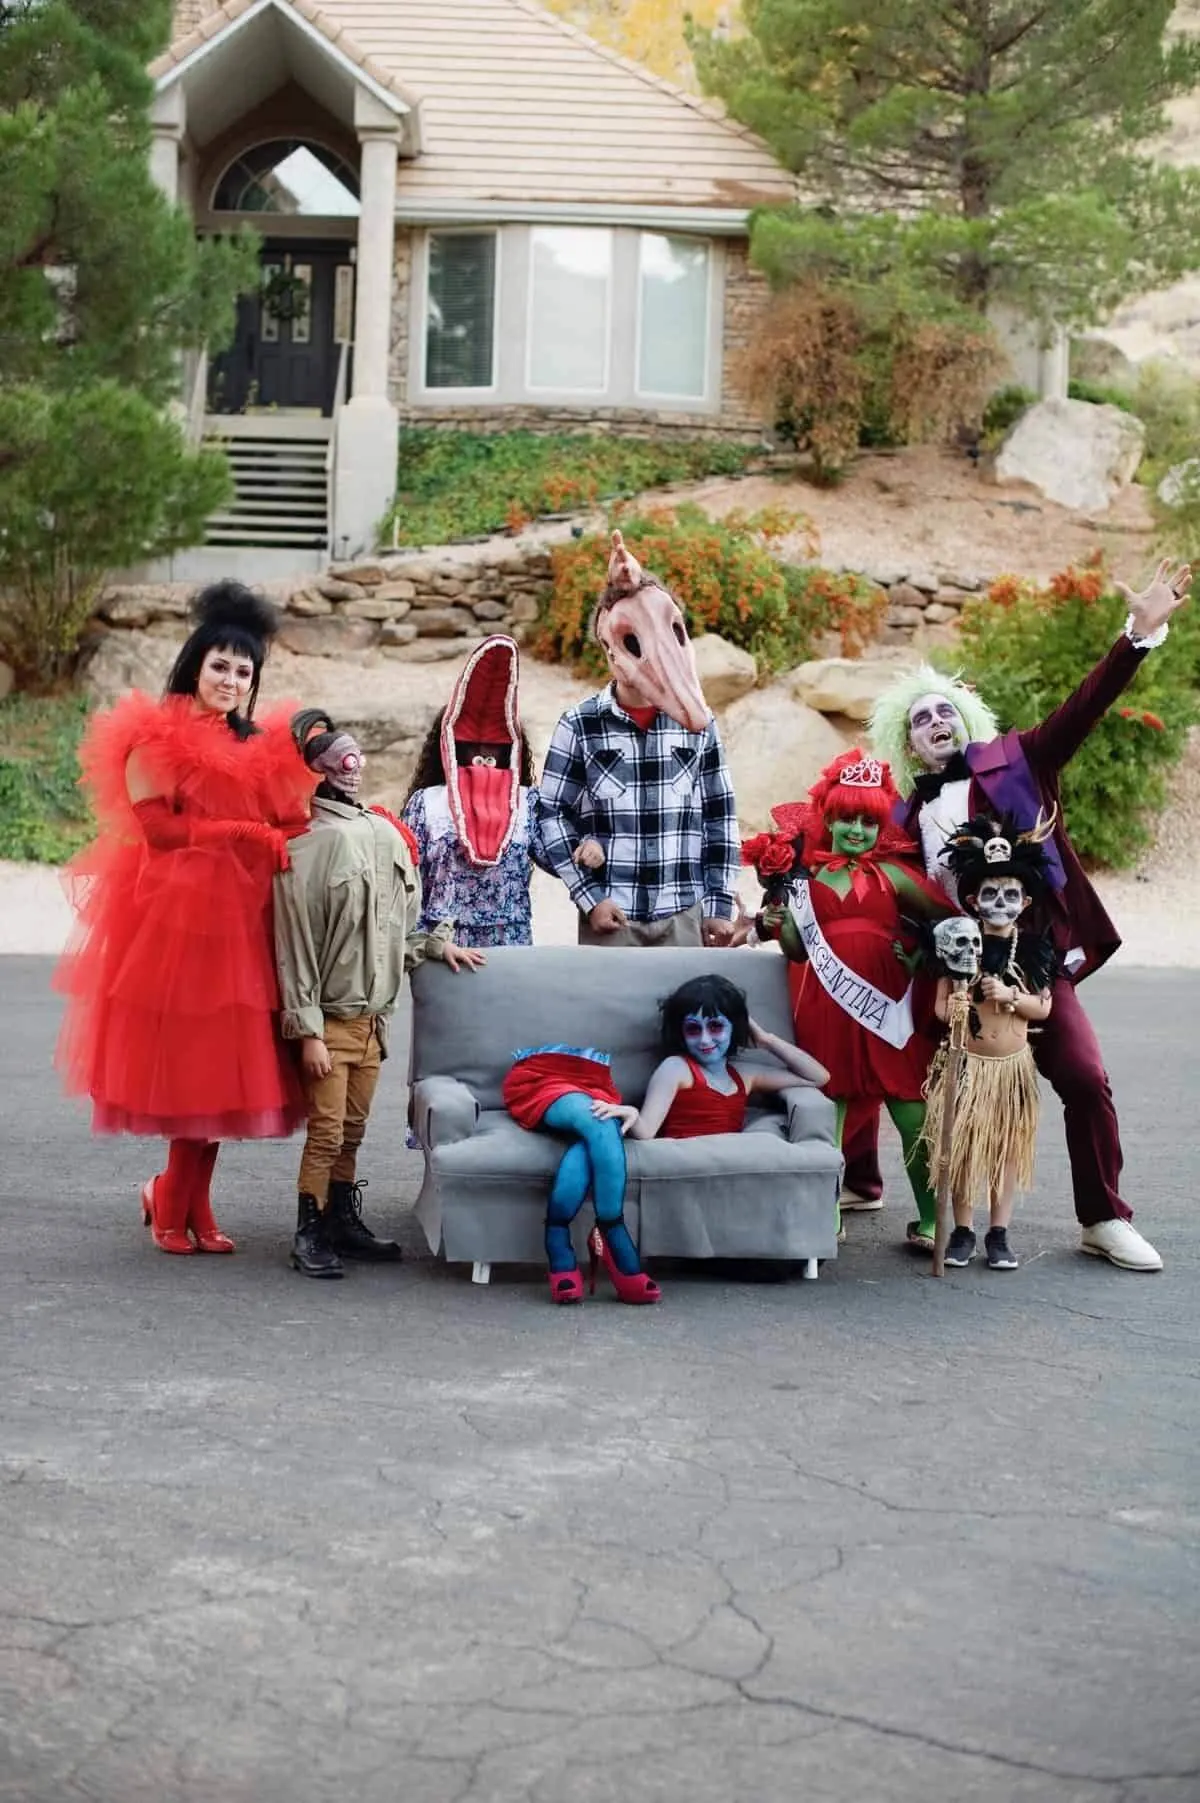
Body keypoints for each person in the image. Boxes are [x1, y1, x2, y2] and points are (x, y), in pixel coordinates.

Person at [869, 557, 1192, 1271]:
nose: (935, 721)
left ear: (967, 722)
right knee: (892, 1070)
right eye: (920, 717)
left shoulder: (1020, 760)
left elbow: (1084, 708)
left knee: (1082, 1073)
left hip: (1033, 955)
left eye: (945, 709)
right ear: (908, 741)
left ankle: (1103, 1214)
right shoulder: (903, 816)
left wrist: (1135, 636)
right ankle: (894, 1198)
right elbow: (871, 884)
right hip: (947, 972)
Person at [55, 583, 315, 1256]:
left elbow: (291, 818)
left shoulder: (258, 744)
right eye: (220, 664)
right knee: (195, 1067)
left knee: (229, 1073)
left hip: (243, 920)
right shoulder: (155, 737)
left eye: (243, 670)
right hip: (176, 918)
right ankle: (171, 1201)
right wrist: (242, 831)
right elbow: (160, 832)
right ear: (195, 664)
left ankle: (191, 1203)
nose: (230, 679)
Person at [275, 712, 485, 1279]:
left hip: (372, 1022)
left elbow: (396, 929)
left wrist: (436, 946)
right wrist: (308, 1029)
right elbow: (293, 943)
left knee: (353, 1131)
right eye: (340, 757)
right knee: (325, 1133)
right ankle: (309, 1231)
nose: (353, 766)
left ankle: (341, 1220)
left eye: (357, 756)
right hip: (333, 1021)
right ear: (315, 767)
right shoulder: (308, 846)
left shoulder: (385, 833)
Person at [746, 751, 953, 1250]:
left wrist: (921, 957)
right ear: (829, 820)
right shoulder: (804, 882)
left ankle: (931, 1218)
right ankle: (827, 1210)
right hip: (828, 1006)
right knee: (828, 1111)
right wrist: (780, 929)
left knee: (911, 1110)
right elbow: (798, 949)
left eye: (868, 821)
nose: (857, 830)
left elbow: (942, 920)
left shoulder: (893, 876)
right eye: (847, 820)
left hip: (888, 1007)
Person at [538, 531, 739, 948]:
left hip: (684, 915)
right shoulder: (580, 724)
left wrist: (718, 907)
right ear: (609, 649)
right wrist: (589, 896)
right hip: (612, 917)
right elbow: (551, 814)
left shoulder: (698, 725)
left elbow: (719, 815)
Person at [922, 813, 1056, 1271]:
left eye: (1011, 895)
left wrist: (1011, 996)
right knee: (958, 1149)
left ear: (1026, 900)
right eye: (991, 894)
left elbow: (1044, 1008)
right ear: (974, 900)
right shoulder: (958, 942)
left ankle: (999, 1233)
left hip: (1010, 1070)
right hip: (966, 1065)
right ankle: (962, 1231)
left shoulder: (1034, 947)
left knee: (1003, 1150)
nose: (1001, 902)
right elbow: (940, 1009)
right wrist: (957, 1004)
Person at [402, 635, 569, 948]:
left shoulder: (525, 803)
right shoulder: (427, 804)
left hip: (510, 943)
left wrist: (584, 841)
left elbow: (555, 860)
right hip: (443, 944)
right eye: (471, 747)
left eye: (496, 747)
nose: (483, 756)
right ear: (449, 746)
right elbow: (406, 881)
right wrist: (424, 942)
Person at [501, 1043, 660, 1306]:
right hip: (541, 1075)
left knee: (596, 1132)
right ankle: (612, 1231)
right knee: (600, 1120)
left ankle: (558, 1234)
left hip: (595, 1079)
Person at [625, 974, 828, 1140]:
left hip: (728, 1172)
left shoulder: (744, 1076)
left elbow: (817, 1077)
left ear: (735, 1027)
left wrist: (766, 1040)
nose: (705, 1040)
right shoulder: (676, 1068)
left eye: (715, 1026)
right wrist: (632, 1115)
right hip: (685, 1168)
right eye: (693, 1029)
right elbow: (646, 1132)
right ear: (681, 1034)